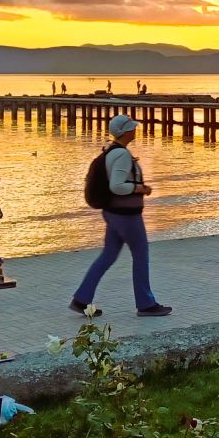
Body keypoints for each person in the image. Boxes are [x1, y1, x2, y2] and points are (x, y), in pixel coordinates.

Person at [71, 115, 171, 318]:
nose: (135, 130)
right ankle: (145, 303)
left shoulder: (111, 151)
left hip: (113, 213)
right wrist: (140, 188)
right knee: (141, 256)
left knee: (107, 256)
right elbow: (116, 186)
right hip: (126, 215)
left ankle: (81, 299)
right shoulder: (122, 155)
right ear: (126, 132)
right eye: (132, 128)